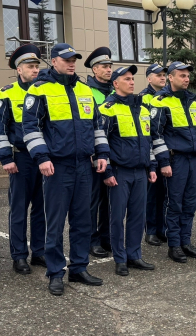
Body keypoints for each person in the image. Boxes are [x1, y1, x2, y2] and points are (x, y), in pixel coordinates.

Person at [22, 43, 110, 296]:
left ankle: (79, 267)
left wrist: (102, 153)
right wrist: (41, 157)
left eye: (74, 59)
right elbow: (31, 127)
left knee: (83, 221)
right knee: (56, 223)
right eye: (67, 59)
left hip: (84, 165)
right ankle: (55, 272)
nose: (72, 63)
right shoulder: (39, 89)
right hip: (57, 167)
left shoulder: (84, 89)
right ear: (54, 61)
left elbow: (97, 127)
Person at [0, 44, 46, 275]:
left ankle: (40, 252)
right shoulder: (6, 94)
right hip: (21, 159)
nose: (35, 70)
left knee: (42, 209)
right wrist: (6, 158)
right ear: (19, 70)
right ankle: (19, 256)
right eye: (30, 67)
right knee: (19, 209)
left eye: (36, 66)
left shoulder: (46, 91)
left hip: (44, 159)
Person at [98, 65, 157, 276]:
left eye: (133, 79)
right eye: (126, 79)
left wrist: (151, 166)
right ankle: (120, 258)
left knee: (137, 216)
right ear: (115, 84)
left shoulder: (142, 109)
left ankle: (134, 255)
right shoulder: (107, 107)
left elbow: (147, 141)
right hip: (119, 172)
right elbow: (100, 141)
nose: (132, 82)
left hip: (140, 171)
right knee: (117, 217)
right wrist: (107, 172)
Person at [149, 61, 196, 263]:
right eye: (182, 75)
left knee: (191, 201)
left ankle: (186, 241)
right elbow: (155, 135)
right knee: (174, 203)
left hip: (192, 159)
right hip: (175, 159)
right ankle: (174, 244)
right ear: (171, 77)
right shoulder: (160, 100)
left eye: (187, 75)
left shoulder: (193, 101)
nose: (187, 78)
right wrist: (164, 162)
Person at [84, 47, 115, 258]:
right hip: (95, 154)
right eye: (104, 66)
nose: (109, 70)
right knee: (92, 201)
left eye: (110, 66)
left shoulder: (115, 91)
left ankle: (107, 238)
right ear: (95, 70)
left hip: (115, 153)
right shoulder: (87, 91)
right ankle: (92, 240)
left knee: (109, 200)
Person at [139, 63, 168, 246]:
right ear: (149, 78)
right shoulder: (144, 97)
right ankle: (150, 231)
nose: (163, 77)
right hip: (151, 151)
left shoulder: (167, 96)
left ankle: (161, 228)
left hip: (165, 149)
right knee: (152, 194)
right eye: (158, 75)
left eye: (164, 74)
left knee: (164, 193)